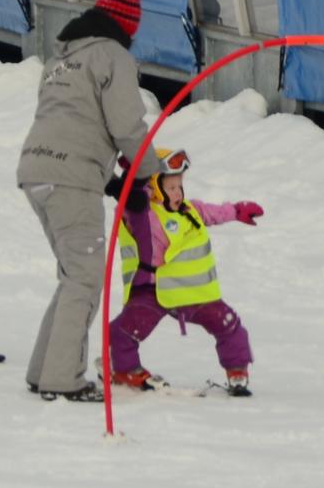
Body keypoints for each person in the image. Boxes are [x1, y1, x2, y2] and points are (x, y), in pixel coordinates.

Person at [17, 0, 152, 403]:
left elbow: (72, 122)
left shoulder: (61, 59)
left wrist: (110, 181)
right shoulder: (113, 56)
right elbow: (126, 125)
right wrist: (146, 173)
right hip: (71, 179)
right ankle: (63, 379)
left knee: (74, 274)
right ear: (127, 26)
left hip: (37, 170)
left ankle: (44, 369)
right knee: (86, 279)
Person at [109, 149, 264, 396]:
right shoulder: (143, 214)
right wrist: (135, 177)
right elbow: (131, 203)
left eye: (179, 186)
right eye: (170, 187)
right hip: (154, 291)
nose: (177, 193)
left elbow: (213, 213)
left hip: (195, 294)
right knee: (125, 330)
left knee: (229, 325)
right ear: (154, 188)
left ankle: (237, 370)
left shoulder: (190, 210)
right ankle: (124, 369)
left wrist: (235, 211)